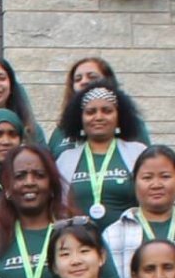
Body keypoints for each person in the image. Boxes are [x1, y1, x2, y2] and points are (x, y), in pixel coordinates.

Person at [0, 145, 122, 278]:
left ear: (52, 184)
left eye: (39, 175)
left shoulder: (79, 228)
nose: (30, 182)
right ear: (7, 187)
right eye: (20, 176)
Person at [103, 146, 175, 278]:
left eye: (165, 176)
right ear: (134, 182)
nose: (156, 184)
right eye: (147, 178)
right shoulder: (114, 234)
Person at [54, 79, 148, 229]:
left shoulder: (138, 153)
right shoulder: (65, 159)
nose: (98, 117)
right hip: (82, 244)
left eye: (107, 111)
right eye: (90, 112)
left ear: (119, 117)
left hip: (130, 242)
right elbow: (60, 209)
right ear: (80, 119)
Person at [46, 57, 152, 155]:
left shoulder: (131, 125)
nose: (84, 82)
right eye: (78, 79)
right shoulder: (61, 130)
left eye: (92, 77)